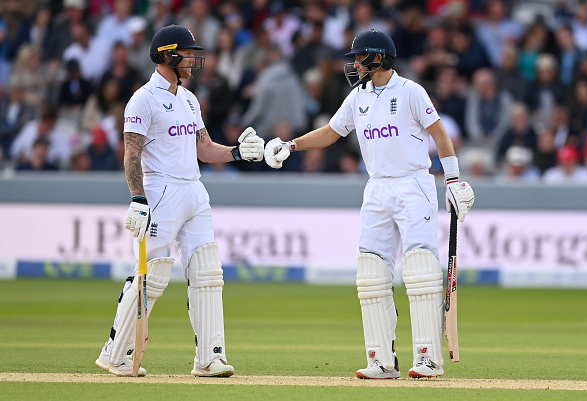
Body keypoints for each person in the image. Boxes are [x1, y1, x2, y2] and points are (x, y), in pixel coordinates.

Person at [264, 29, 475, 379]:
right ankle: (381, 360)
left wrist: (452, 179)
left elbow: (439, 133)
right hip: (376, 188)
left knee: (420, 269)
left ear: (378, 58)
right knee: (371, 272)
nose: (354, 65)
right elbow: (332, 132)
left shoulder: (410, 91)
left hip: (413, 184)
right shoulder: (357, 96)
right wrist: (291, 145)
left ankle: (427, 359)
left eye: (360, 58)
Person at [95, 25, 264, 377]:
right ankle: (117, 353)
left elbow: (204, 147)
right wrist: (138, 198)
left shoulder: (189, 99)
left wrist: (237, 153)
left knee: (207, 272)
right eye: (187, 54)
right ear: (168, 55)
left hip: (194, 191)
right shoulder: (143, 98)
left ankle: (209, 357)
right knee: (151, 275)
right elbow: (131, 153)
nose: (193, 60)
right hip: (161, 191)